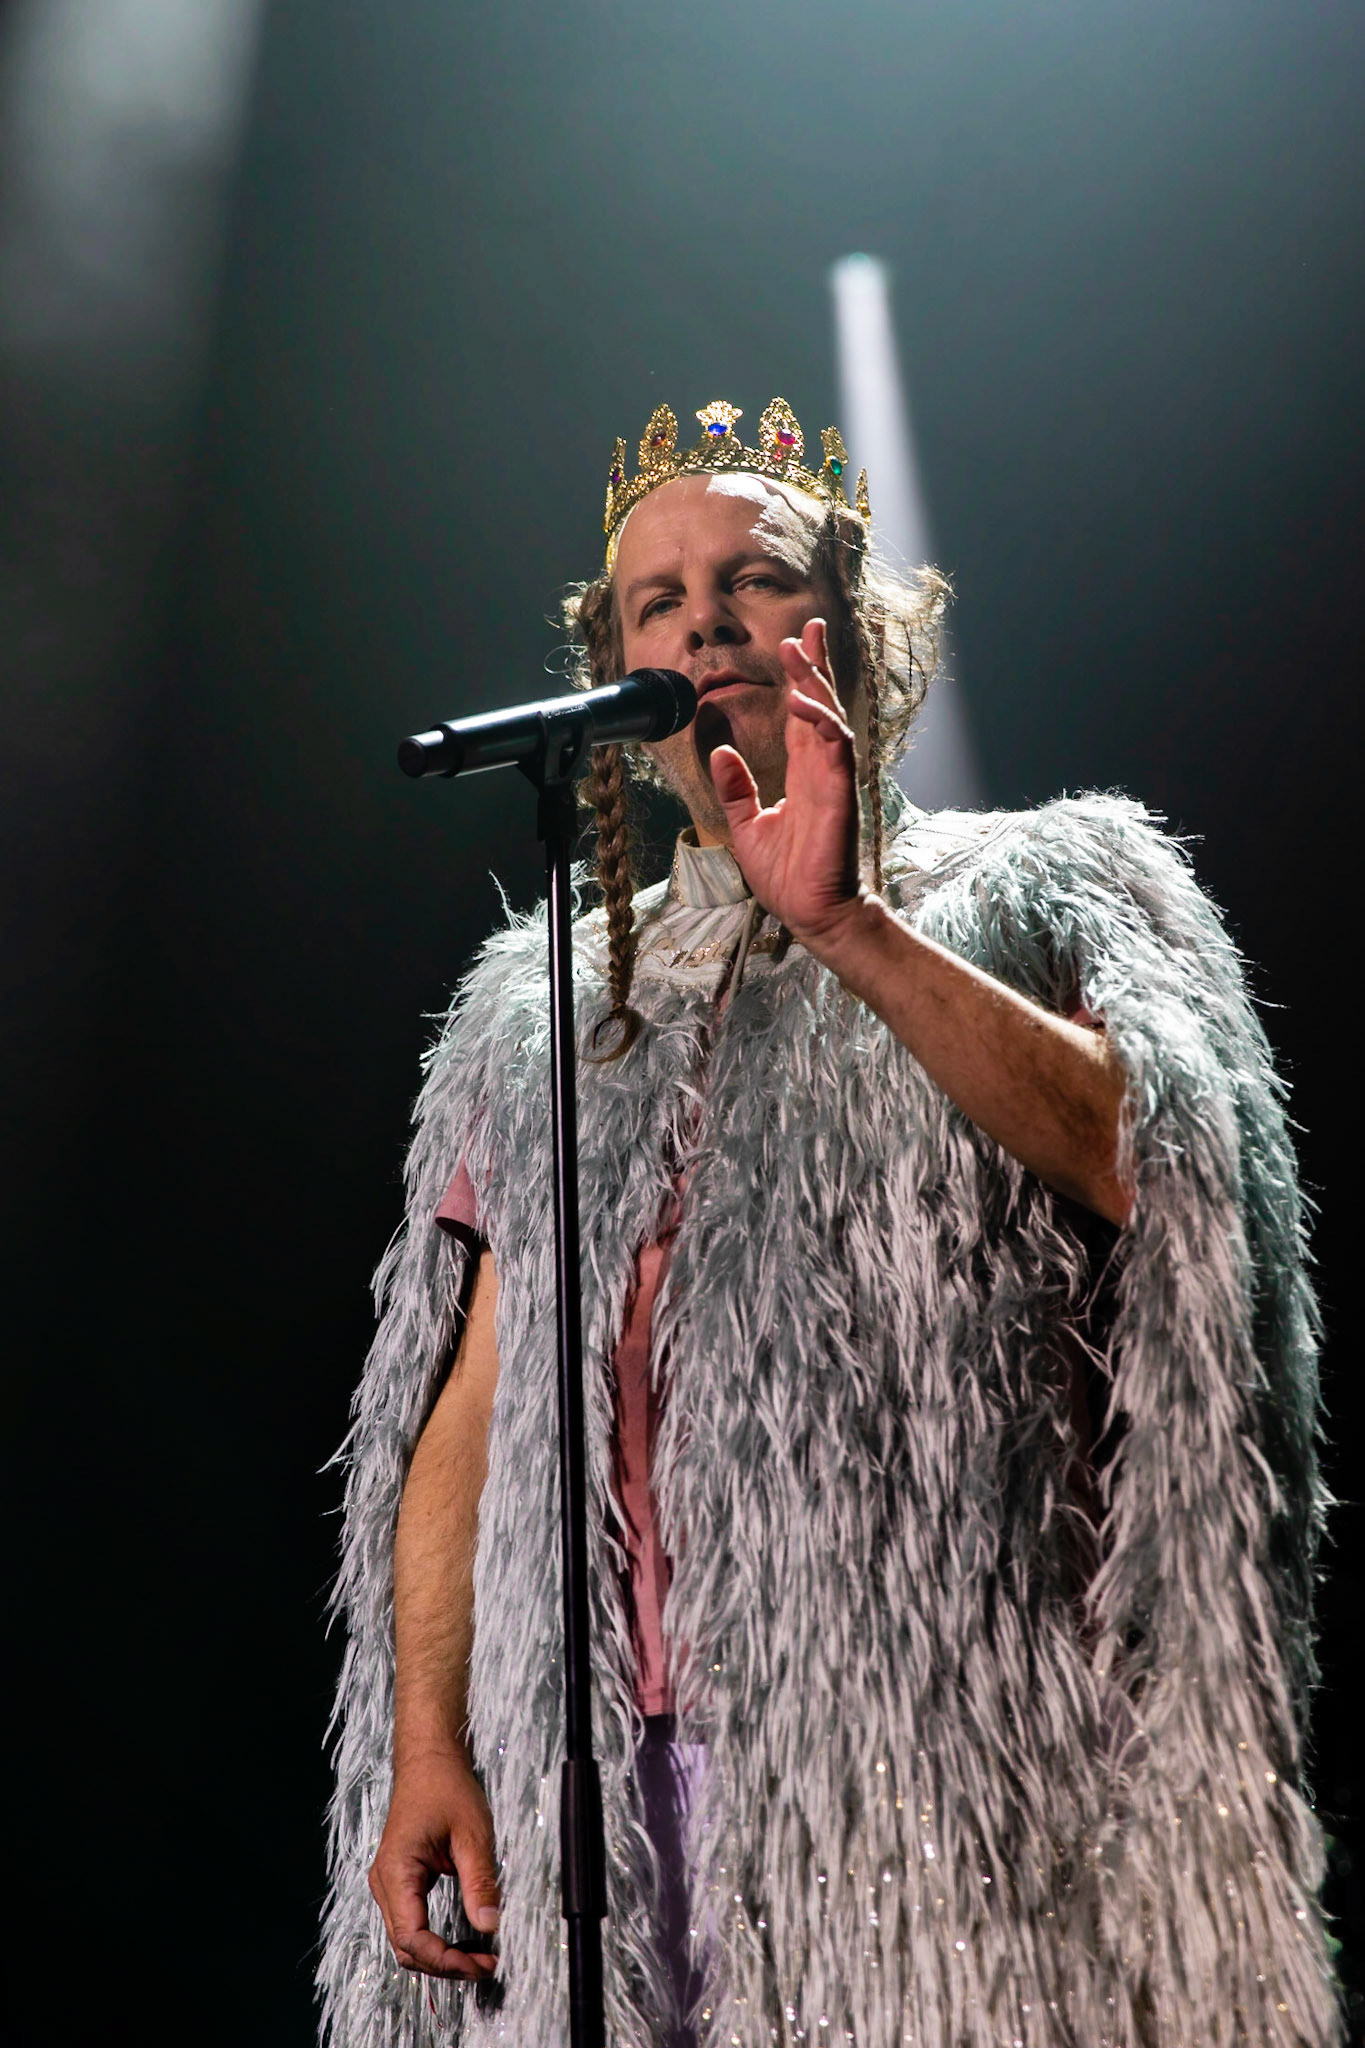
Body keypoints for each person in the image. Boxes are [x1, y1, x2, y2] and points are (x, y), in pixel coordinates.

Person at [318, 398, 1340, 2048]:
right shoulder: (543, 1012)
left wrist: (850, 926)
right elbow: (474, 1403)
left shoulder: (1036, 885)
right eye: (654, 601)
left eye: (750, 578)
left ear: (848, 626)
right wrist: (430, 1738)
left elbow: (1158, 1171)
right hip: (596, 1772)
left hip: (938, 1759)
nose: (700, 621)